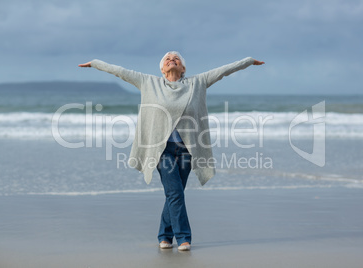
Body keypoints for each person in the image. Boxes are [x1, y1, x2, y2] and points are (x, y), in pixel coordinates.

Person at [79, 52, 264, 251]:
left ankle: (164, 236)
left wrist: (248, 62)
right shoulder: (149, 83)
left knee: (174, 194)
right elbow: (120, 72)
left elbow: (223, 71)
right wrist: (95, 63)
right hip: (162, 150)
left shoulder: (197, 83)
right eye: (167, 59)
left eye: (176, 58)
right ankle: (184, 237)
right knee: (175, 193)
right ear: (162, 69)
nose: (171, 59)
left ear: (183, 68)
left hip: (187, 149)